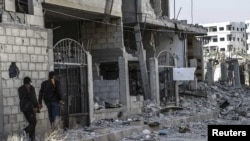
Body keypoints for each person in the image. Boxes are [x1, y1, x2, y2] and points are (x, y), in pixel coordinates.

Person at [18, 77, 39, 141]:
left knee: (31, 123)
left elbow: (22, 98)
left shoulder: (20, 89)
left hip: (23, 108)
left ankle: (31, 138)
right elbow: (33, 97)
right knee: (34, 122)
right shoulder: (31, 87)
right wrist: (36, 106)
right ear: (29, 82)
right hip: (30, 108)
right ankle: (25, 131)